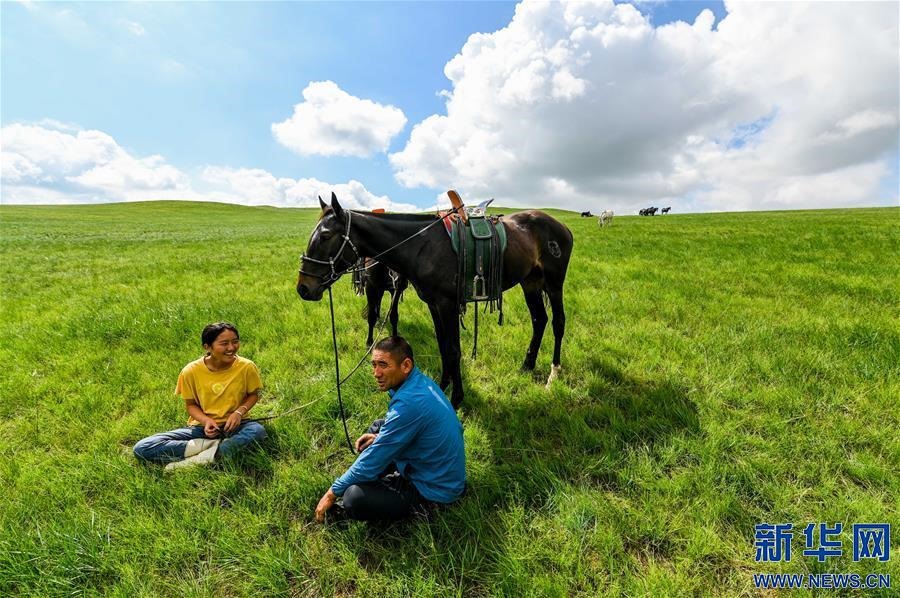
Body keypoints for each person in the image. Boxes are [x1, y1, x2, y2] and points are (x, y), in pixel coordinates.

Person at [315, 336, 466, 522]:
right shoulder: (419, 382)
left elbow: (375, 457)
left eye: (383, 365)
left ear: (406, 365)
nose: (376, 373)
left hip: (435, 490)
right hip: (437, 469)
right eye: (374, 365)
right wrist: (380, 436)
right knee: (378, 427)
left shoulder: (410, 404)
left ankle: (424, 508)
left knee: (353, 497)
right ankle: (381, 477)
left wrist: (332, 493)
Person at [133, 322, 267, 471]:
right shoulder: (190, 371)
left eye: (235, 342)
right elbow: (190, 405)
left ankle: (200, 459)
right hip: (201, 429)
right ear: (207, 347)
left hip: (238, 425)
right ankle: (215, 449)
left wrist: (238, 413)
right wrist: (206, 420)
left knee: (257, 431)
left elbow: (253, 395)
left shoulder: (246, 366)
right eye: (224, 343)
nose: (231, 348)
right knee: (142, 448)